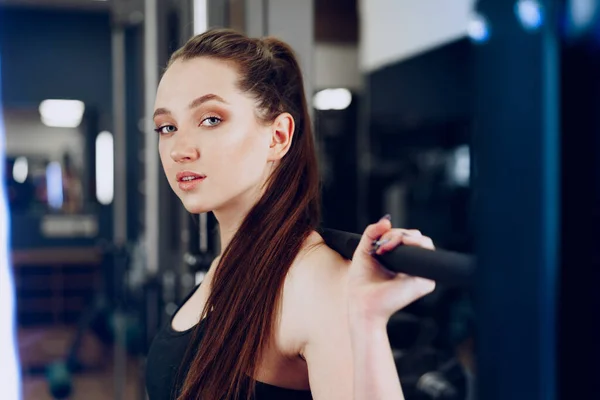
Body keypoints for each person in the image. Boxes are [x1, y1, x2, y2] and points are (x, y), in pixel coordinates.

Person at [145, 28, 436, 400]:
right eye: (167, 127)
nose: (179, 149)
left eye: (210, 119)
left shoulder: (316, 281)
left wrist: (366, 317)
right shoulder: (228, 265)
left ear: (278, 137)